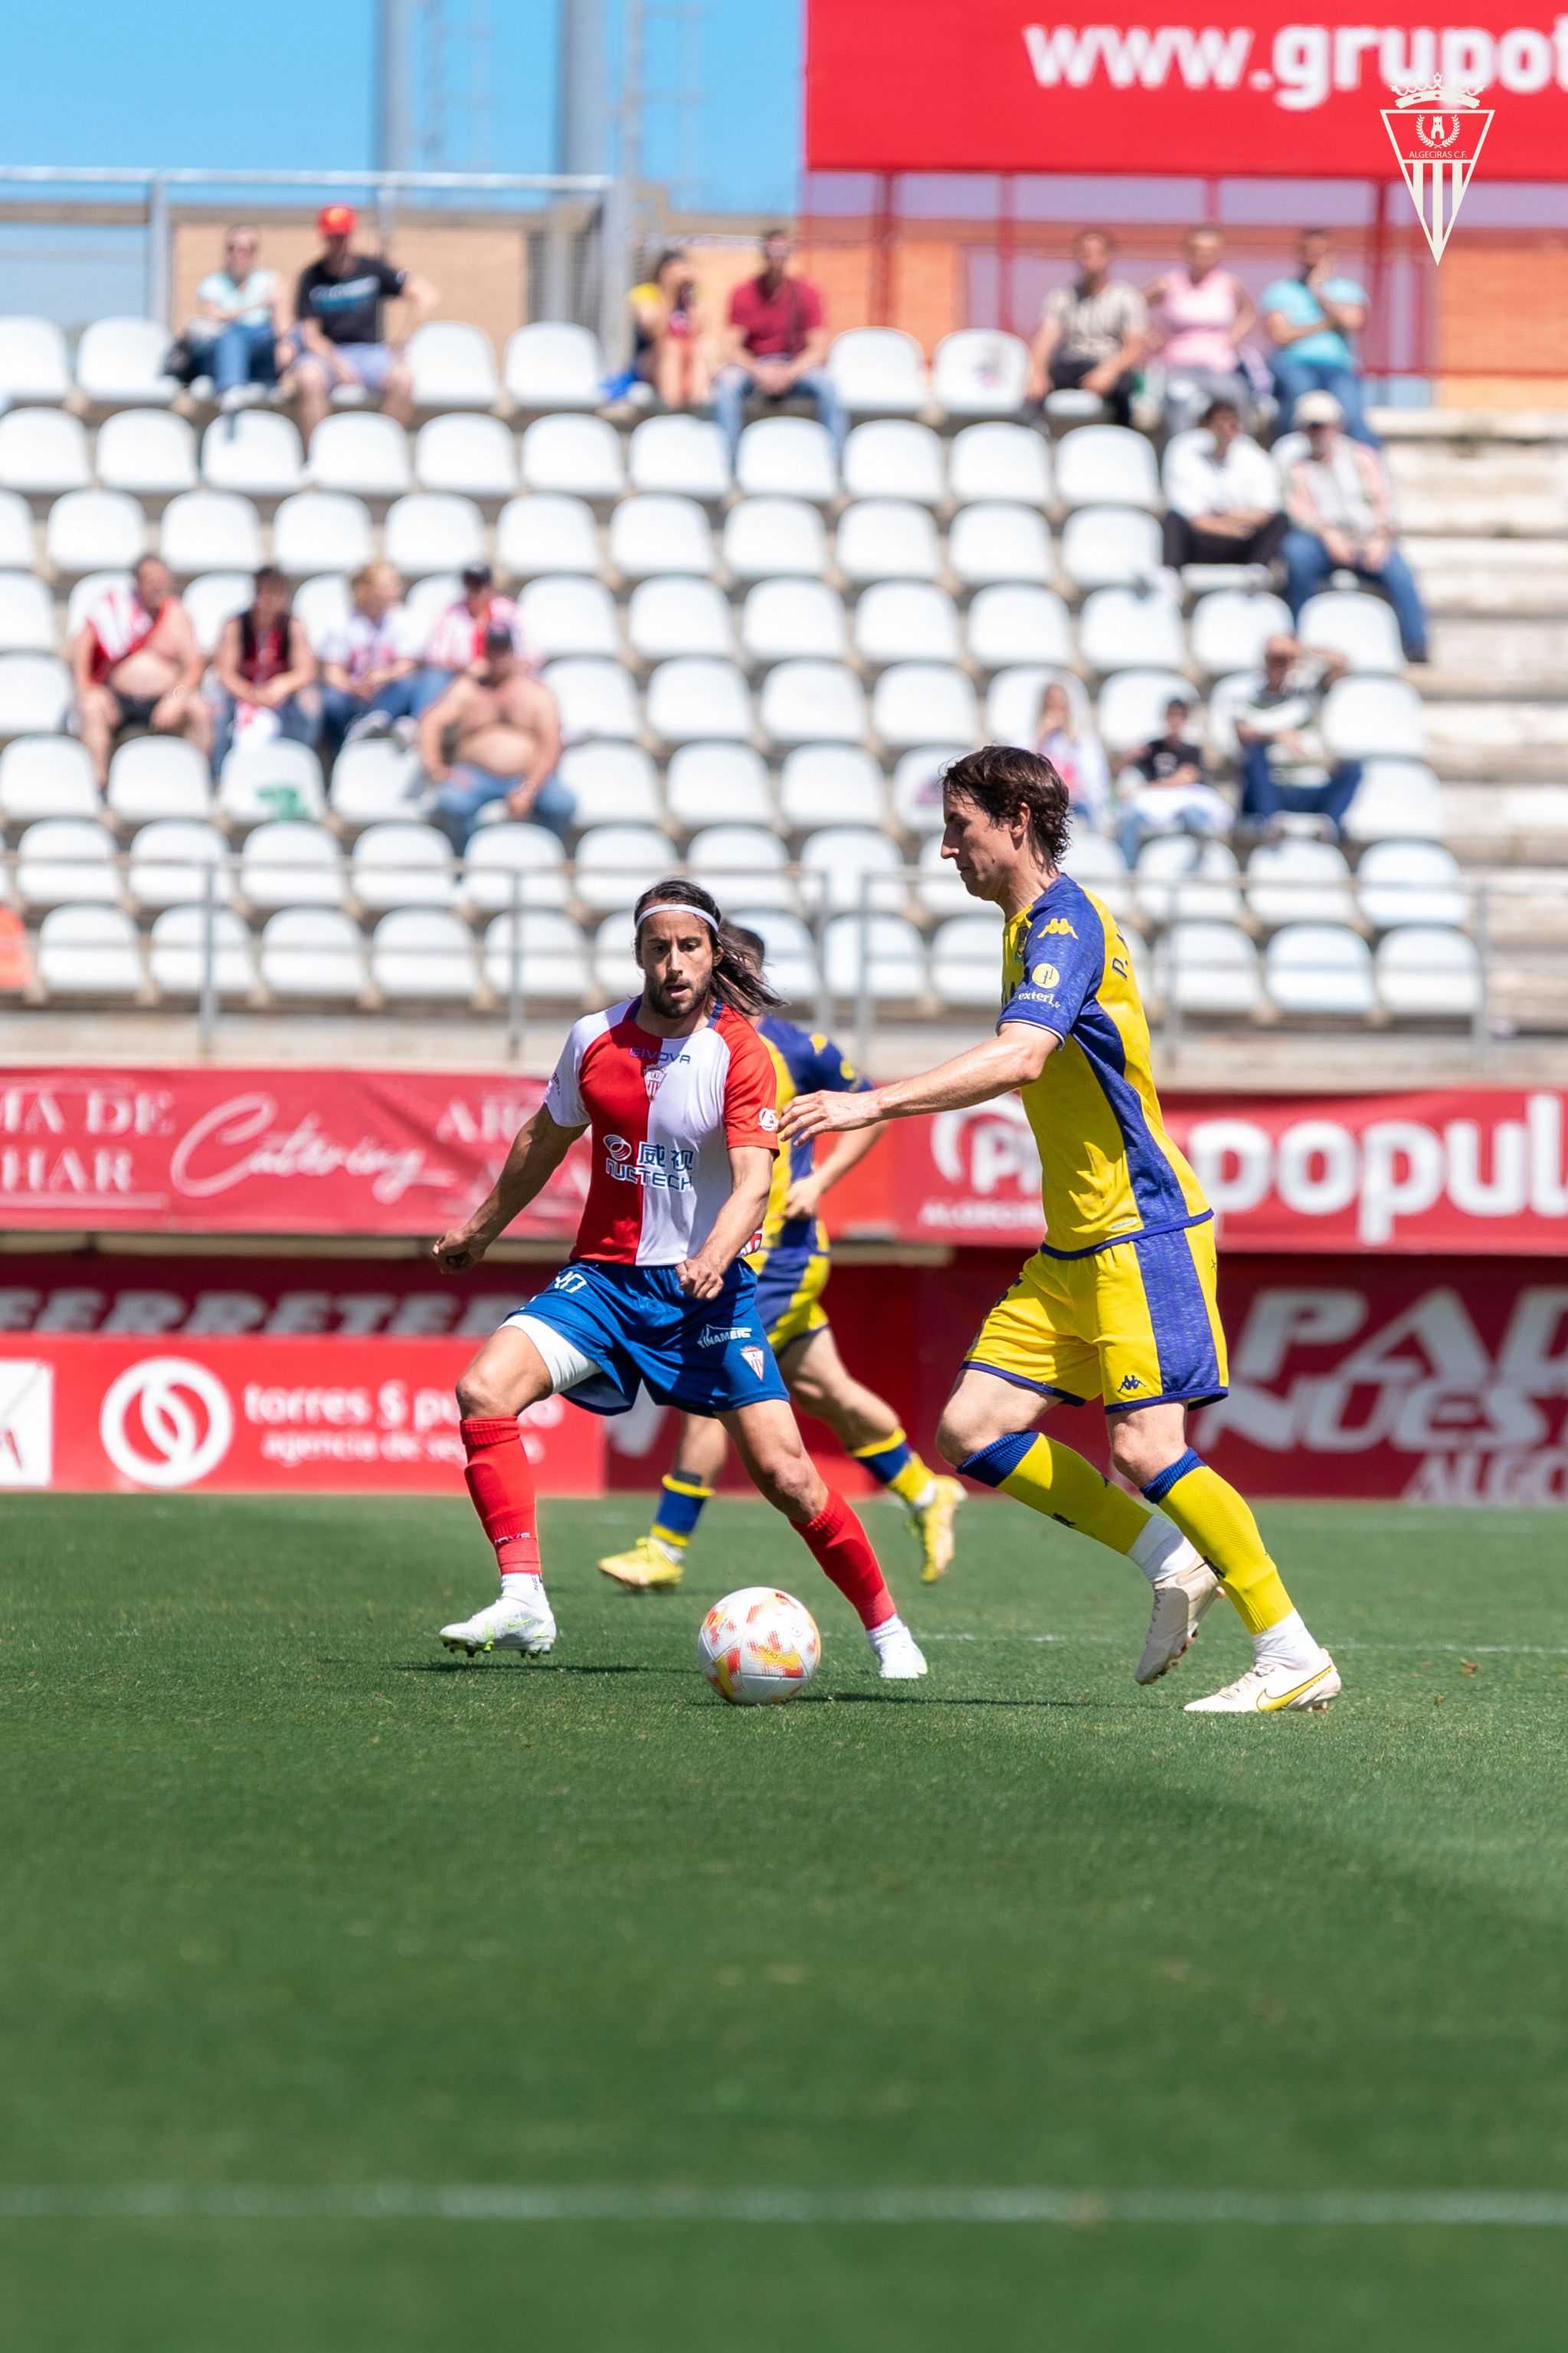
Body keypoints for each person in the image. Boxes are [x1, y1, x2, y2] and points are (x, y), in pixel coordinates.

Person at [781, 745, 1340, 1716]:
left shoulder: (1062, 923)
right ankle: (1169, 1558)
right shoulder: (1023, 926)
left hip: (1141, 1229)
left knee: (1144, 1450)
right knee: (970, 1429)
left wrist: (872, 1106)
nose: (945, 847)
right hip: (1076, 1243)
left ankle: (1290, 1650)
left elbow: (1023, 1057)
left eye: (960, 826)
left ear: (1018, 821)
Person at [431, 879, 928, 1682]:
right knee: (485, 1389)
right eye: (657, 947)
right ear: (638, 954)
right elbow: (544, 1134)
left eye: (688, 947)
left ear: (714, 955)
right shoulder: (592, 1037)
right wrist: (482, 1227)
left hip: (706, 1293)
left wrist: (715, 1252)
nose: (673, 962)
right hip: (603, 1282)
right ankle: (523, 1597)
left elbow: (753, 1181)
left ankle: (886, 1628)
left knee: (790, 1477)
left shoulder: (741, 1052)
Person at [599, 927, 964, 1592]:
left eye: (741, 967)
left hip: (778, 1253)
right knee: (828, 1391)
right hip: (727, 1247)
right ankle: (923, 1492)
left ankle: (665, 1546)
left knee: (712, 1382)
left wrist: (821, 1182)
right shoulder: (689, 1045)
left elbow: (870, 1109)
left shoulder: (798, 1049)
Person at [1281, 393, 1429, 662]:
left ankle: (1416, 642)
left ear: (1337, 425)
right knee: (1296, 554)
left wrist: (1381, 537)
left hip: (1368, 537)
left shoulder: (1363, 458)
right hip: (1323, 542)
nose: (1319, 432)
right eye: (1312, 425)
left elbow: (1385, 500)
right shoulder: (1297, 469)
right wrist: (1327, 535)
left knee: (1400, 571)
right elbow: (1297, 512)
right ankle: (1297, 634)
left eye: (1323, 424)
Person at [286, 204, 437, 447]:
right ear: (323, 237)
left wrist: (401, 343)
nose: (339, 243)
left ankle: (382, 450)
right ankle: (317, 455)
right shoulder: (311, 277)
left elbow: (425, 295)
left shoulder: (373, 268)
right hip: (328, 353)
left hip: (370, 352)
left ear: (352, 235)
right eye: (333, 237)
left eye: (343, 236)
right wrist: (339, 364)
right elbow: (310, 336)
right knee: (307, 378)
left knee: (403, 381)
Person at [415, 626, 569, 850]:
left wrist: (529, 789)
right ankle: (464, 863)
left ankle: (542, 857)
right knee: (450, 802)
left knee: (562, 804)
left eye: (503, 650)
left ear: (513, 652)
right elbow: (431, 722)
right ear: (484, 653)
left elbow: (552, 744)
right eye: (493, 650)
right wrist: (436, 768)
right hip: (476, 776)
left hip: (527, 777)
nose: (498, 657)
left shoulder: (536, 693)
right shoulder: (467, 688)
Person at [71, 555, 211, 787]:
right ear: (137, 582)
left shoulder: (177, 615)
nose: (158, 585)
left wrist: (175, 698)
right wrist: (88, 688)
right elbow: (82, 645)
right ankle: (98, 785)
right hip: (119, 699)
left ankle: (198, 783)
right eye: (151, 579)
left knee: (201, 710)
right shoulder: (116, 608)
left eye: (162, 579)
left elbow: (195, 666)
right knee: (90, 706)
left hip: (166, 698)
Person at [712, 229, 846, 463]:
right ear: (763, 255)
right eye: (773, 252)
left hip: (794, 365)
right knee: (726, 385)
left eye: (783, 252)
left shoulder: (806, 294)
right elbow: (732, 346)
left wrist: (790, 373)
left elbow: (818, 347)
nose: (778, 259)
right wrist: (758, 371)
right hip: (756, 365)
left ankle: (835, 465)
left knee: (828, 385)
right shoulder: (744, 293)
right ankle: (728, 465)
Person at [1232, 633, 1362, 840]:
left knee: (1353, 769)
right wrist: (1276, 735)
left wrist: (1300, 650)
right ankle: (1272, 823)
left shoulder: (1307, 695)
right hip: (1276, 787)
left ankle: (1329, 825)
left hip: (1312, 785)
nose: (1279, 666)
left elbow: (1341, 664)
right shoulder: (1246, 701)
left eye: (1285, 660)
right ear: (1264, 661)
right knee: (1254, 755)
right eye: (1274, 659)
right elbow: (1243, 734)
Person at [1261, 228, 1377, 447]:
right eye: (1309, 252)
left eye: (1320, 253)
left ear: (1332, 256)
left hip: (1338, 366)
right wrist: (1328, 323)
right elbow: (1280, 334)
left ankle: (1371, 468)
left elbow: (1353, 322)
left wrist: (1318, 292)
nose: (1314, 259)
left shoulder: (1349, 290)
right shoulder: (1280, 291)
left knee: (1350, 413)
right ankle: (1285, 457)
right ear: (1299, 254)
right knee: (1300, 402)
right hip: (1293, 363)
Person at [1143, 226, 1258, 435]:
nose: (1203, 256)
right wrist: (1151, 337)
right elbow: (1134, 307)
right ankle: (1179, 456)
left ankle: (1243, 455)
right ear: (1186, 251)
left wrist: (1234, 337)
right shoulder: (1169, 283)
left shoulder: (1229, 284)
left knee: (1238, 396)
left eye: (1210, 250)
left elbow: (1248, 312)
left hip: (1219, 366)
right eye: (1197, 249)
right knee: (1180, 399)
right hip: (1179, 365)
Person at [1026, 230, 1147, 428]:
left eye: (1096, 253)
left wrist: (1108, 371)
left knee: (1124, 387)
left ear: (1109, 257)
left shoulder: (1127, 298)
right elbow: (1044, 339)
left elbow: (1133, 347)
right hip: (1072, 364)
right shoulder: (1063, 297)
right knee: (1034, 389)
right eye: (1084, 253)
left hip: (1109, 364)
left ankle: (1123, 442)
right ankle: (1034, 439)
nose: (1089, 258)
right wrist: (1037, 373)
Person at [209, 568, 319, 775]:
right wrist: (251, 694)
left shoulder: (293, 626)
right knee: (216, 708)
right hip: (242, 693)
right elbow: (225, 673)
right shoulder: (236, 625)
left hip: (279, 696)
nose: (264, 600)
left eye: (272, 594)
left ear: (283, 598)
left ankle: (295, 770)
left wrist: (283, 685)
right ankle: (220, 775)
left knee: (310, 705)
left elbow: (306, 671)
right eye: (260, 593)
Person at [1160, 397, 1288, 573]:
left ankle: (1257, 570)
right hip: (1204, 540)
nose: (1226, 430)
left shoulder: (1255, 457)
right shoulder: (1185, 452)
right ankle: (1170, 573)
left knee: (1280, 521)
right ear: (1206, 427)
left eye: (1231, 424)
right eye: (1219, 424)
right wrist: (1228, 526)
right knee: (1172, 520)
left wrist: (1221, 516)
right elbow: (1188, 515)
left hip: (1243, 540)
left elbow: (1267, 511)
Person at [316, 562, 420, 759]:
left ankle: (371, 725)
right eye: (388, 584)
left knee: (409, 685)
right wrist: (354, 687)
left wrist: (384, 675)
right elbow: (332, 672)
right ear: (366, 588)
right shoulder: (340, 620)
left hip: (387, 692)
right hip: (352, 695)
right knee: (331, 700)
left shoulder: (403, 618)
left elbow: (407, 664)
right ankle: (355, 739)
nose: (396, 589)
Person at [1118, 699, 1232, 867]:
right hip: (1155, 802)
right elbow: (1116, 769)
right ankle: (1128, 870)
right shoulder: (1152, 747)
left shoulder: (1192, 750)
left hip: (1180, 800)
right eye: (1171, 716)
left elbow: (1185, 779)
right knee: (1130, 817)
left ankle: (1203, 860)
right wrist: (1128, 756)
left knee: (1193, 813)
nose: (1175, 721)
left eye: (1179, 716)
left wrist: (1147, 788)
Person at [187, 226, 289, 413]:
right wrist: (260, 304)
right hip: (221, 349)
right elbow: (213, 315)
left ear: (254, 253)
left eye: (244, 249)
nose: (237, 255)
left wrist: (285, 342)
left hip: (262, 350)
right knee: (232, 335)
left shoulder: (271, 280)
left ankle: (229, 384)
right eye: (231, 248)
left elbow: (282, 323)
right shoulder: (212, 284)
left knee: (290, 336)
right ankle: (231, 388)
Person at [411, 562, 532, 715]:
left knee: (529, 680)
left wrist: (496, 667)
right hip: (459, 676)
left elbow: (530, 655)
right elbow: (434, 655)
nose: (474, 592)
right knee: (433, 677)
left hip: (502, 675)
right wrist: (465, 667)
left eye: (479, 586)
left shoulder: (509, 612)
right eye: (470, 586)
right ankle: (420, 723)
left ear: (490, 587)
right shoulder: (450, 613)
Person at [629, 247, 712, 411]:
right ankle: (670, 410)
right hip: (651, 360)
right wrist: (669, 292)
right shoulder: (646, 293)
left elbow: (697, 331)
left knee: (697, 346)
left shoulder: (693, 296)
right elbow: (655, 333)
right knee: (671, 346)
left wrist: (689, 295)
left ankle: (696, 409)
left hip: (688, 358)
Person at [1034, 681, 1111, 834]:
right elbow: (1024, 774)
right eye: (1052, 707)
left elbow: (1096, 780)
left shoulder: (1084, 739)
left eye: (1062, 707)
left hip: (1077, 801)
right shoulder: (1029, 737)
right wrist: (1040, 740)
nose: (1057, 713)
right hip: (1043, 800)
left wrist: (1074, 745)